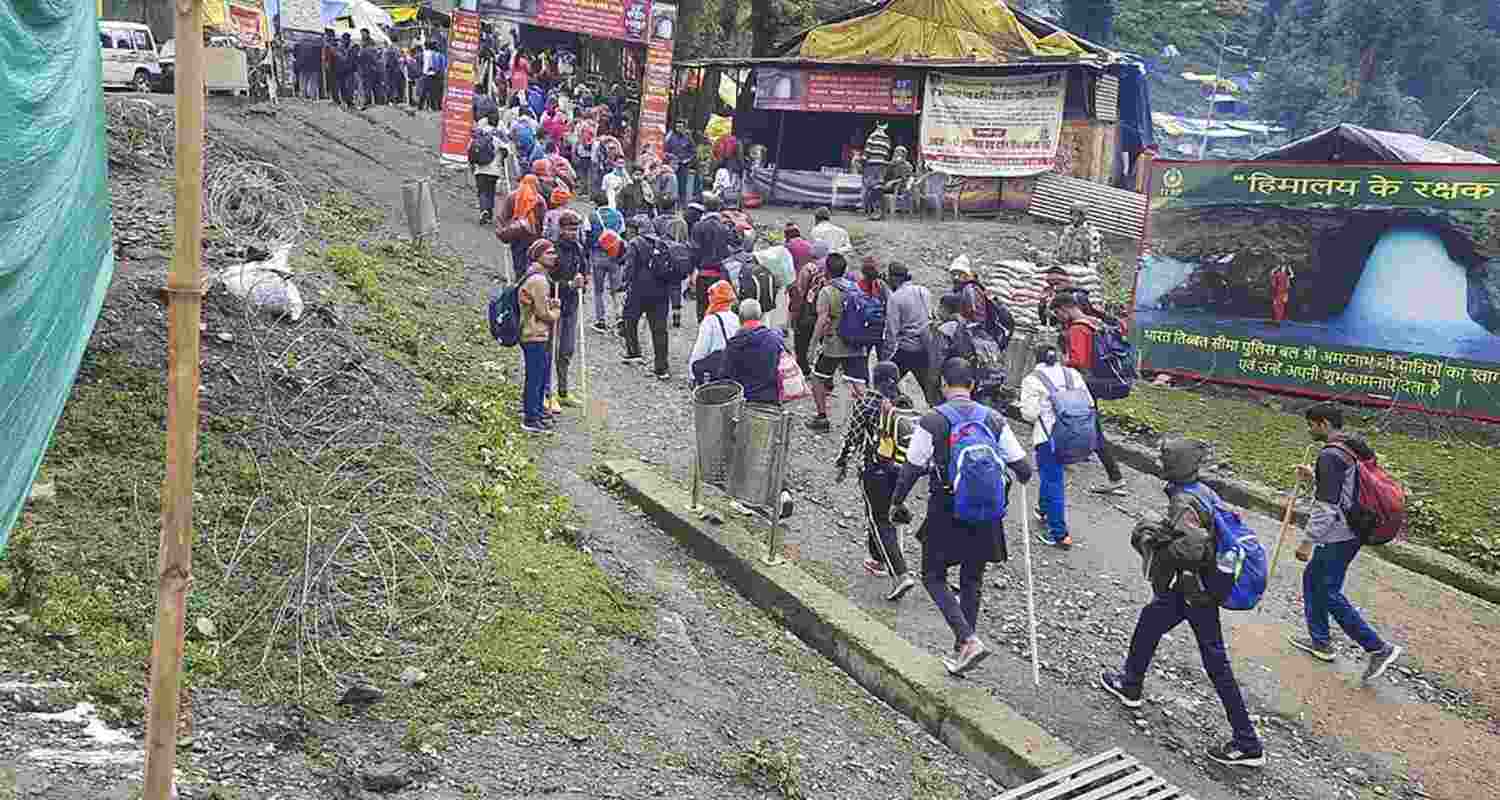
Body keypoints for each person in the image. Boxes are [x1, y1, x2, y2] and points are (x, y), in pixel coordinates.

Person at [1099, 439, 1265, 768]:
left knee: (1215, 662)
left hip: (1194, 593)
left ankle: (1248, 743)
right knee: (1150, 622)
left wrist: (1152, 537)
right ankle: (1130, 684)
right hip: (1196, 590)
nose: (1161, 462)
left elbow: (1189, 551)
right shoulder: (1202, 490)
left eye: (1165, 458)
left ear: (1174, 465)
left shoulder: (1184, 499)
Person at [891, 358, 1032, 674]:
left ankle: (967, 640)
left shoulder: (933, 420)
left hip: (947, 509)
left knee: (932, 576)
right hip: (986, 511)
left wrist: (896, 503)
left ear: (943, 384)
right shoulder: (994, 419)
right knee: (972, 580)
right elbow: (1023, 468)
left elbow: (911, 468)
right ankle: (962, 648)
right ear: (972, 386)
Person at [1288, 403, 1404, 680]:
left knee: (1326, 590)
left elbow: (1327, 506)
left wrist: (1308, 541)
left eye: (1312, 424)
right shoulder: (1351, 446)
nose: (1310, 429)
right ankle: (1320, 642)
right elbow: (1346, 489)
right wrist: (1314, 478)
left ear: (1324, 424)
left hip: (1337, 533)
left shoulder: (1330, 455)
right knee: (1314, 580)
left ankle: (1377, 648)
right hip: (1356, 529)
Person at [836, 361, 920, 601]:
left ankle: (900, 573)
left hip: (874, 470)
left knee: (879, 520)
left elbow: (852, 438)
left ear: (875, 378)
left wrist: (842, 463)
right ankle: (877, 559)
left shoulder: (867, 403)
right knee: (880, 513)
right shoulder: (905, 404)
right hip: (901, 471)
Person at [1019, 343, 1093, 549]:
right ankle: (1043, 510)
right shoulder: (1072, 375)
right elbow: (1089, 403)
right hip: (1076, 435)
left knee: (1053, 482)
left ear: (1037, 359)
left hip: (1048, 438)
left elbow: (1029, 414)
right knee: (1051, 476)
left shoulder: (1032, 380)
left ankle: (1060, 534)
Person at [1052, 293, 1126, 495]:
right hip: (1097, 381)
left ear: (1065, 308)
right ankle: (1064, 458)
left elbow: (1079, 361)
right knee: (1086, 425)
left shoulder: (1078, 328)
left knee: (1093, 430)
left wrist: (1061, 363)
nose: (1058, 317)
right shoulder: (1093, 322)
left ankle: (1115, 477)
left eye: (1058, 313)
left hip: (1085, 384)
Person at [807, 253, 867, 432]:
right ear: (844, 270)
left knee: (817, 378)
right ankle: (869, 420)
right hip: (856, 344)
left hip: (834, 345)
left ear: (827, 270)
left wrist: (812, 346)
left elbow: (822, 321)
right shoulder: (855, 288)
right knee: (858, 383)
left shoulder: (827, 291)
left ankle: (822, 418)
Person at [620, 214, 673, 380]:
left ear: (637, 229)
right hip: (661, 292)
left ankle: (633, 352)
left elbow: (629, 268)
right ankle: (662, 367)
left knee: (630, 320)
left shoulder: (635, 243)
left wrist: (625, 284)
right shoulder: (662, 243)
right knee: (659, 330)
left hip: (639, 290)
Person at [546, 210, 588, 411]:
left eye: (575, 229)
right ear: (561, 229)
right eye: (569, 229)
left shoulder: (579, 248)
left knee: (567, 349)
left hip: (572, 305)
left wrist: (582, 282)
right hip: (554, 305)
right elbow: (547, 280)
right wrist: (569, 284)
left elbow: (584, 271)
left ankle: (563, 391)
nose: (573, 233)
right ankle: (547, 393)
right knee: (550, 348)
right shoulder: (552, 250)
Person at [519, 239, 562, 434]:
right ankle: (531, 418)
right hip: (534, 333)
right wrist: (555, 313)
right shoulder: (539, 280)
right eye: (549, 253)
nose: (554, 256)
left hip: (531, 332)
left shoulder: (534, 276)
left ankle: (536, 412)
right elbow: (543, 313)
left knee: (537, 374)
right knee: (535, 376)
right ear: (538, 256)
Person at [881, 262, 932, 398]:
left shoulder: (896, 298)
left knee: (885, 383)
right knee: (930, 391)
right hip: (925, 349)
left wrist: (886, 357)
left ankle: (894, 408)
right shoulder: (925, 291)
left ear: (894, 278)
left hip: (906, 350)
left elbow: (892, 331)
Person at [723, 299, 784, 405]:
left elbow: (726, 375)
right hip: (770, 399)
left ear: (740, 318)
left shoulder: (734, 344)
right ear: (760, 316)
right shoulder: (774, 339)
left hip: (744, 400)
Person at [689, 195, 734, 321]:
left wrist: (692, 272)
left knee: (702, 310)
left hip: (703, 275)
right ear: (719, 208)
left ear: (705, 208)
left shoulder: (698, 226)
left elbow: (694, 252)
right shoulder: (725, 228)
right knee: (720, 310)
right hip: (721, 276)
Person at [688, 280, 741, 385]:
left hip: (715, 370)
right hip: (733, 368)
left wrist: (692, 374)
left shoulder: (710, 320)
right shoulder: (736, 318)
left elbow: (700, 350)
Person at [587, 192, 626, 333]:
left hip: (598, 254)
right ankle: (620, 316)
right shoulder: (618, 214)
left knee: (598, 290)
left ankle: (600, 320)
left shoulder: (592, 216)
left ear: (595, 203)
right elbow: (622, 232)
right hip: (614, 255)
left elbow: (587, 234)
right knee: (617, 289)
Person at [498, 173, 547, 282]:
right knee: (531, 262)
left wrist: (505, 231)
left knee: (518, 262)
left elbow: (503, 216)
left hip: (516, 235)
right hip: (533, 237)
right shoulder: (539, 200)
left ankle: (519, 283)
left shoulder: (512, 196)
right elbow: (543, 220)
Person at [787, 238, 825, 377]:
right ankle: (823, 371)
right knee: (823, 343)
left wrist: (794, 314)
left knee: (801, 343)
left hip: (807, 313)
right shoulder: (829, 267)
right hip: (824, 313)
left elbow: (800, 292)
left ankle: (804, 369)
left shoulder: (808, 268)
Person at [1051, 201, 1103, 293]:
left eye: (1076, 215)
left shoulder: (1091, 233)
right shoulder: (1067, 230)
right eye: (1072, 214)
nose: (1073, 218)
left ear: (1083, 216)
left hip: (1080, 271)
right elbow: (1060, 248)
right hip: (1064, 267)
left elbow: (1094, 256)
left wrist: (1091, 271)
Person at [471, 110, 505, 226]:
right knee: (490, 191)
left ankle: (483, 210)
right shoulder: (499, 135)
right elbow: (506, 150)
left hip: (480, 168)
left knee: (482, 191)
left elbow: (471, 149)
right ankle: (489, 214)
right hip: (494, 170)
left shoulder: (479, 133)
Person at [861, 122, 892, 219]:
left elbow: (867, 152)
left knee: (869, 189)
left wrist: (862, 162)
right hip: (882, 166)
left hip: (871, 166)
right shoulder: (887, 139)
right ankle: (880, 213)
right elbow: (887, 154)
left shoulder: (872, 136)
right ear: (886, 126)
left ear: (877, 125)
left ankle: (869, 212)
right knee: (879, 189)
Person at [665, 120, 696, 202]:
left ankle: (682, 205)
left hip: (683, 166)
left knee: (682, 186)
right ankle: (671, 204)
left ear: (684, 128)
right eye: (677, 127)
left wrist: (686, 160)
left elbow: (693, 152)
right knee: (671, 185)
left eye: (680, 127)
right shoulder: (671, 138)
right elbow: (665, 151)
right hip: (672, 165)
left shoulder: (688, 139)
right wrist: (670, 156)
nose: (678, 129)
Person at [880, 145, 914, 215]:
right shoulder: (890, 164)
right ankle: (878, 211)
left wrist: (892, 182)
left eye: (899, 152)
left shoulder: (907, 165)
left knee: (897, 187)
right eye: (896, 152)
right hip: (888, 186)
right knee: (877, 188)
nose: (897, 154)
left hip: (900, 187)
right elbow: (885, 176)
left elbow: (905, 178)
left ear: (904, 155)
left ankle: (893, 211)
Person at [358, 30, 383, 107]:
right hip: (366, 70)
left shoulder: (370, 45)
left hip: (371, 70)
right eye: (361, 34)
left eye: (364, 34)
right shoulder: (363, 44)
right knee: (368, 88)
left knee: (372, 87)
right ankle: (371, 102)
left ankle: (375, 102)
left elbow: (374, 58)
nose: (362, 35)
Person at [294, 35, 321, 99]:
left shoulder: (299, 44)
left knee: (303, 82)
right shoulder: (316, 45)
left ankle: (303, 95)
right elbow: (320, 56)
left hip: (302, 66)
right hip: (314, 66)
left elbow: (295, 55)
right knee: (312, 82)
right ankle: (312, 96)